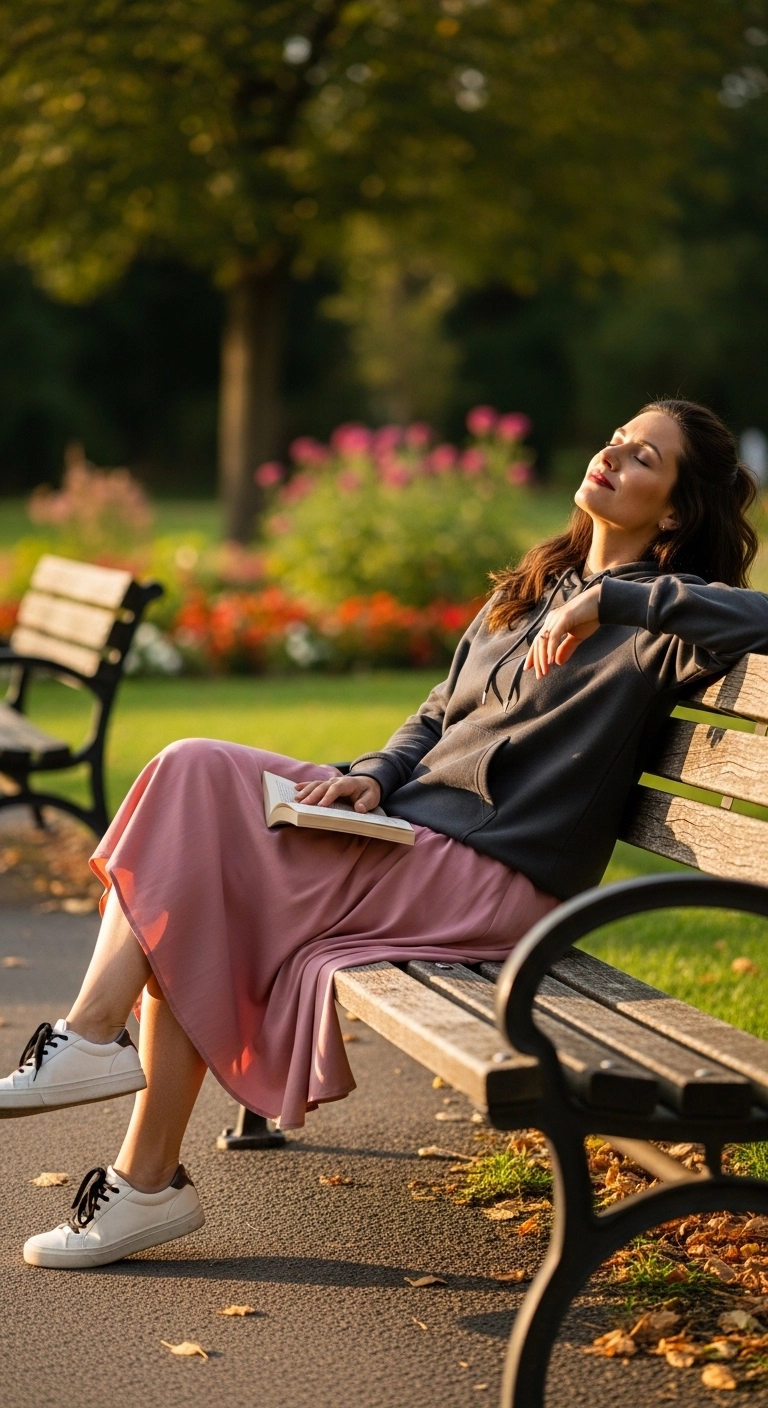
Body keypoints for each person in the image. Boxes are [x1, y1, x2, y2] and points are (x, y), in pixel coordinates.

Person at [3, 398, 767, 1270]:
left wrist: (618, 601)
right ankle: (130, 1152)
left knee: (196, 806)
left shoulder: (660, 627)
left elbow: (762, 618)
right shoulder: (532, 589)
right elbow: (436, 714)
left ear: (673, 510)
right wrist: (375, 775)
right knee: (190, 803)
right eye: (618, 439)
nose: (614, 455)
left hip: (492, 878)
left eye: (644, 458)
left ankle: (107, 1082)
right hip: (414, 837)